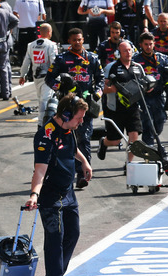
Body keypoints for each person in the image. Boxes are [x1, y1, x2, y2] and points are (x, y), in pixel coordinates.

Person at [26, 94, 92, 276]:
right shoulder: (46, 135)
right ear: (65, 115)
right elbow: (40, 171)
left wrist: (84, 162)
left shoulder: (68, 130)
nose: (81, 122)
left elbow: (72, 149)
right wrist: (34, 195)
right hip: (50, 196)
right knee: (55, 240)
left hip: (68, 193)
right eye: (78, 118)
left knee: (73, 233)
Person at [46, 28, 105, 187]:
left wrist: (97, 94)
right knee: (63, 139)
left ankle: (82, 175)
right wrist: (61, 87)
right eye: (74, 40)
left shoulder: (92, 58)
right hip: (67, 104)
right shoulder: (62, 59)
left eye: (79, 39)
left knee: (84, 138)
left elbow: (101, 79)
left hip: (85, 105)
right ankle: (59, 171)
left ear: (83, 39)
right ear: (69, 41)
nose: (77, 42)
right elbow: (49, 78)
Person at [99, 40, 145, 170]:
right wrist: (110, 89)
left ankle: (128, 164)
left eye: (129, 50)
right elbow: (100, 86)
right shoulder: (111, 67)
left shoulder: (137, 67)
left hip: (133, 107)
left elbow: (144, 83)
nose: (128, 53)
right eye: (124, 51)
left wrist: (147, 87)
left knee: (134, 138)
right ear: (119, 53)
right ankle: (104, 142)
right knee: (115, 141)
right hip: (115, 108)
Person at [134, 31, 168, 147]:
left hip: (159, 96)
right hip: (143, 97)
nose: (148, 47)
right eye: (146, 44)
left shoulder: (162, 58)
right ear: (141, 45)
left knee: (160, 121)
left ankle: (151, 139)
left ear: (154, 44)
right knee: (147, 123)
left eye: (150, 44)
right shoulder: (135, 60)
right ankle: (149, 148)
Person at [19, 23, 58, 125]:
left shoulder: (31, 45)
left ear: (40, 32)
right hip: (48, 78)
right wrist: (56, 77)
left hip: (36, 78)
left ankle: (43, 122)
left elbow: (26, 62)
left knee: (41, 99)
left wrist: (22, 75)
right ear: (50, 33)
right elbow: (54, 62)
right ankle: (42, 124)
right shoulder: (51, 45)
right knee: (44, 101)